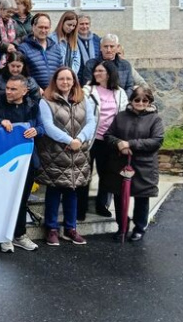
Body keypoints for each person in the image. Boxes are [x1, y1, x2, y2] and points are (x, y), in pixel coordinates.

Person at [35, 67, 96, 246]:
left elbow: (91, 122)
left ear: (74, 81)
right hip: (55, 153)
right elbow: (47, 126)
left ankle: (71, 228)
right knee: (53, 191)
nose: (65, 82)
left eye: (69, 79)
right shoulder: (46, 101)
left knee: (72, 191)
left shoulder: (83, 100)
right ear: (55, 81)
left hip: (77, 153)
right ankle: (51, 229)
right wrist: (69, 140)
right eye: (61, 79)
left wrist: (80, 139)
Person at [0, 75, 43, 253]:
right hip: (2, 161)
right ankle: (3, 236)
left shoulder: (32, 105)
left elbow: (42, 127)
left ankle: (19, 234)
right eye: (7, 88)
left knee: (22, 199)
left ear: (24, 91)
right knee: (3, 198)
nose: (8, 92)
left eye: (13, 89)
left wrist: (36, 131)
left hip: (26, 161)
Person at [101, 86, 164, 241]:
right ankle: (122, 226)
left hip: (144, 166)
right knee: (119, 197)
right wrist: (119, 144)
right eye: (137, 100)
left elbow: (156, 141)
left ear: (149, 102)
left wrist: (130, 144)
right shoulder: (121, 116)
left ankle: (139, 228)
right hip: (120, 164)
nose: (140, 103)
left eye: (145, 100)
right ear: (131, 100)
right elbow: (108, 136)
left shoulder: (155, 119)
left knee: (142, 198)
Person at [77, 60, 128, 221]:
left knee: (106, 175)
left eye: (101, 71)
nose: (96, 74)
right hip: (91, 139)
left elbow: (124, 115)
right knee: (85, 174)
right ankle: (81, 209)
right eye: (96, 71)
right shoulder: (88, 90)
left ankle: (101, 205)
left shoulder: (120, 93)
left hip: (110, 140)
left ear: (109, 73)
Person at [16, 13, 63, 89]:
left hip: (54, 92)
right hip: (33, 93)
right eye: (40, 27)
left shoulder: (56, 48)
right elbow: (21, 74)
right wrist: (35, 88)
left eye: (46, 28)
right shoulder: (23, 48)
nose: (43, 30)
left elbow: (61, 71)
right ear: (33, 27)